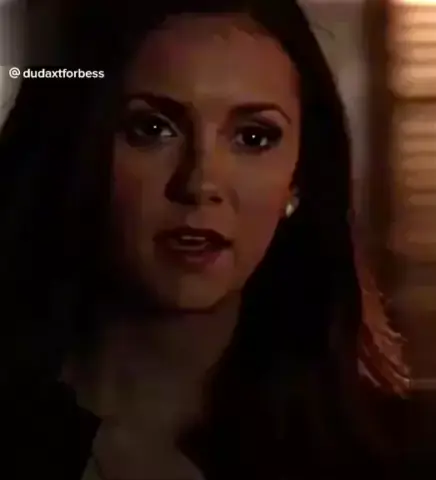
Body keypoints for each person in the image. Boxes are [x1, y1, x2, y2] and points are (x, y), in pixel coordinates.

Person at [1, 0, 409, 479]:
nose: (200, 183)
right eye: (152, 129)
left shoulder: (362, 453)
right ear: (78, 148)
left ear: (299, 179)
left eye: (254, 137)